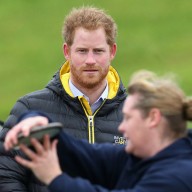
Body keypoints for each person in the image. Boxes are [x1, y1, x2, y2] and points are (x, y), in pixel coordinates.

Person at [0, 6, 127, 192]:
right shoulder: (28, 108)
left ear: (112, 51)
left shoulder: (134, 115)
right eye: (82, 51)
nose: (90, 60)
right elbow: (5, 175)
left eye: (98, 51)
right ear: (67, 51)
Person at [4, 70, 192, 192]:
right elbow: (79, 153)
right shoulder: (135, 159)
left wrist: (55, 178)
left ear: (153, 118)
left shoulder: (178, 176)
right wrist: (37, 120)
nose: (121, 127)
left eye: (128, 118)